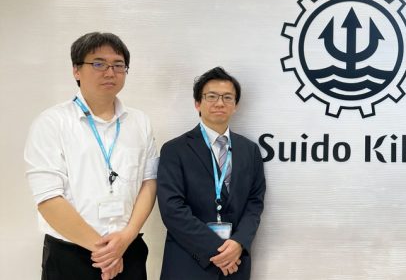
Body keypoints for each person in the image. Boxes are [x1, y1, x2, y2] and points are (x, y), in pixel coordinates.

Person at [25, 32, 158, 280]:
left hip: (128, 249)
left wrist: (126, 238)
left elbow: (149, 182)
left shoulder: (140, 122)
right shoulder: (51, 122)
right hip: (70, 254)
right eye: (98, 64)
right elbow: (48, 198)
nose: (110, 72)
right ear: (76, 70)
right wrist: (105, 253)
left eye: (118, 65)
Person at [157, 66, 265, 280]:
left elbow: (255, 203)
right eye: (212, 96)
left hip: (235, 264)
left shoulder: (250, 150)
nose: (220, 103)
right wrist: (218, 250)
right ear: (198, 103)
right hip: (188, 263)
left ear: (235, 105)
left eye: (227, 97)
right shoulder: (174, 149)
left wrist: (238, 243)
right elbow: (172, 209)